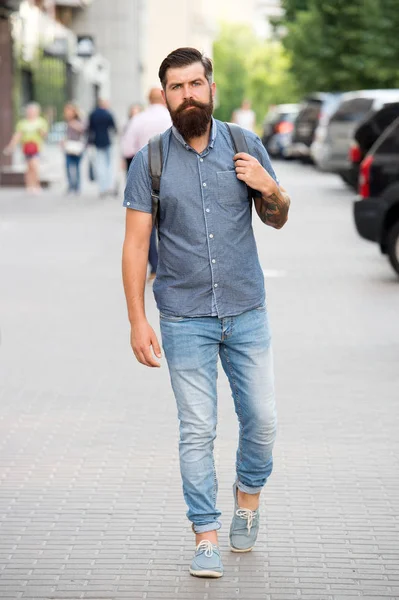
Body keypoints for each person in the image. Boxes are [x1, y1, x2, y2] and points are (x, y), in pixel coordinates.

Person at [122, 48, 290, 579]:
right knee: (197, 430)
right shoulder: (149, 160)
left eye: (196, 83)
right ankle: (206, 536)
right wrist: (136, 318)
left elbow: (278, 217)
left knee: (262, 421)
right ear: (166, 95)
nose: (188, 94)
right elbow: (134, 245)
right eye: (177, 87)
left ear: (211, 87)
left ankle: (247, 497)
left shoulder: (245, 145)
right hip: (183, 316)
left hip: (247, 310)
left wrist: (271, 188)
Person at [122, 88, 172, 281]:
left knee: (146, 222)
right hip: (173, 169)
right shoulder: (171, 117)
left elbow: (127, 147)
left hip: (146, 172)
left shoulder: (139, 119)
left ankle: (155, 266)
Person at [3, 102, 48, 194]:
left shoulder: (41, 122)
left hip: (36, 147)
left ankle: (36, 185)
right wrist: (11, 146)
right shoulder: (22, 123)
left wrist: (40, 130)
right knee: (28, 167)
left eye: (33, 111)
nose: (31, 113)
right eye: (29, 111)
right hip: (26, 148)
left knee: (34, 166)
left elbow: (45, 135)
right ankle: (29, 185)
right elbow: (17, 136)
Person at [88, 99, 117, 197]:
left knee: (100, 165)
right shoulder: (108, 114)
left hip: (97, 142)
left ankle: (102, 187)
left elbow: (90, 128)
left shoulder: (93, 114)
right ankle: (109, 186)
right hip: (107, 141)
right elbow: (113, 128)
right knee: (108, 165)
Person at [62, 103, 86, 195]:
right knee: (68, 166)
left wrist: (73, 124)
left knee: (77, 167)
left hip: (78, 147)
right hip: (68, 147)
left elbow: (83, 130)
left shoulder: (79, 120)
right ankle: (70, 185)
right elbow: (66, 134)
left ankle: (77, 186)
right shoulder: (66, 121)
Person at [121, 104, 142, 173]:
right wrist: (122, 158)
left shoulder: (143, 124)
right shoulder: (127, 124)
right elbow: (123, 140)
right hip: (129, 155)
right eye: (133, 112)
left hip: (140, 155)